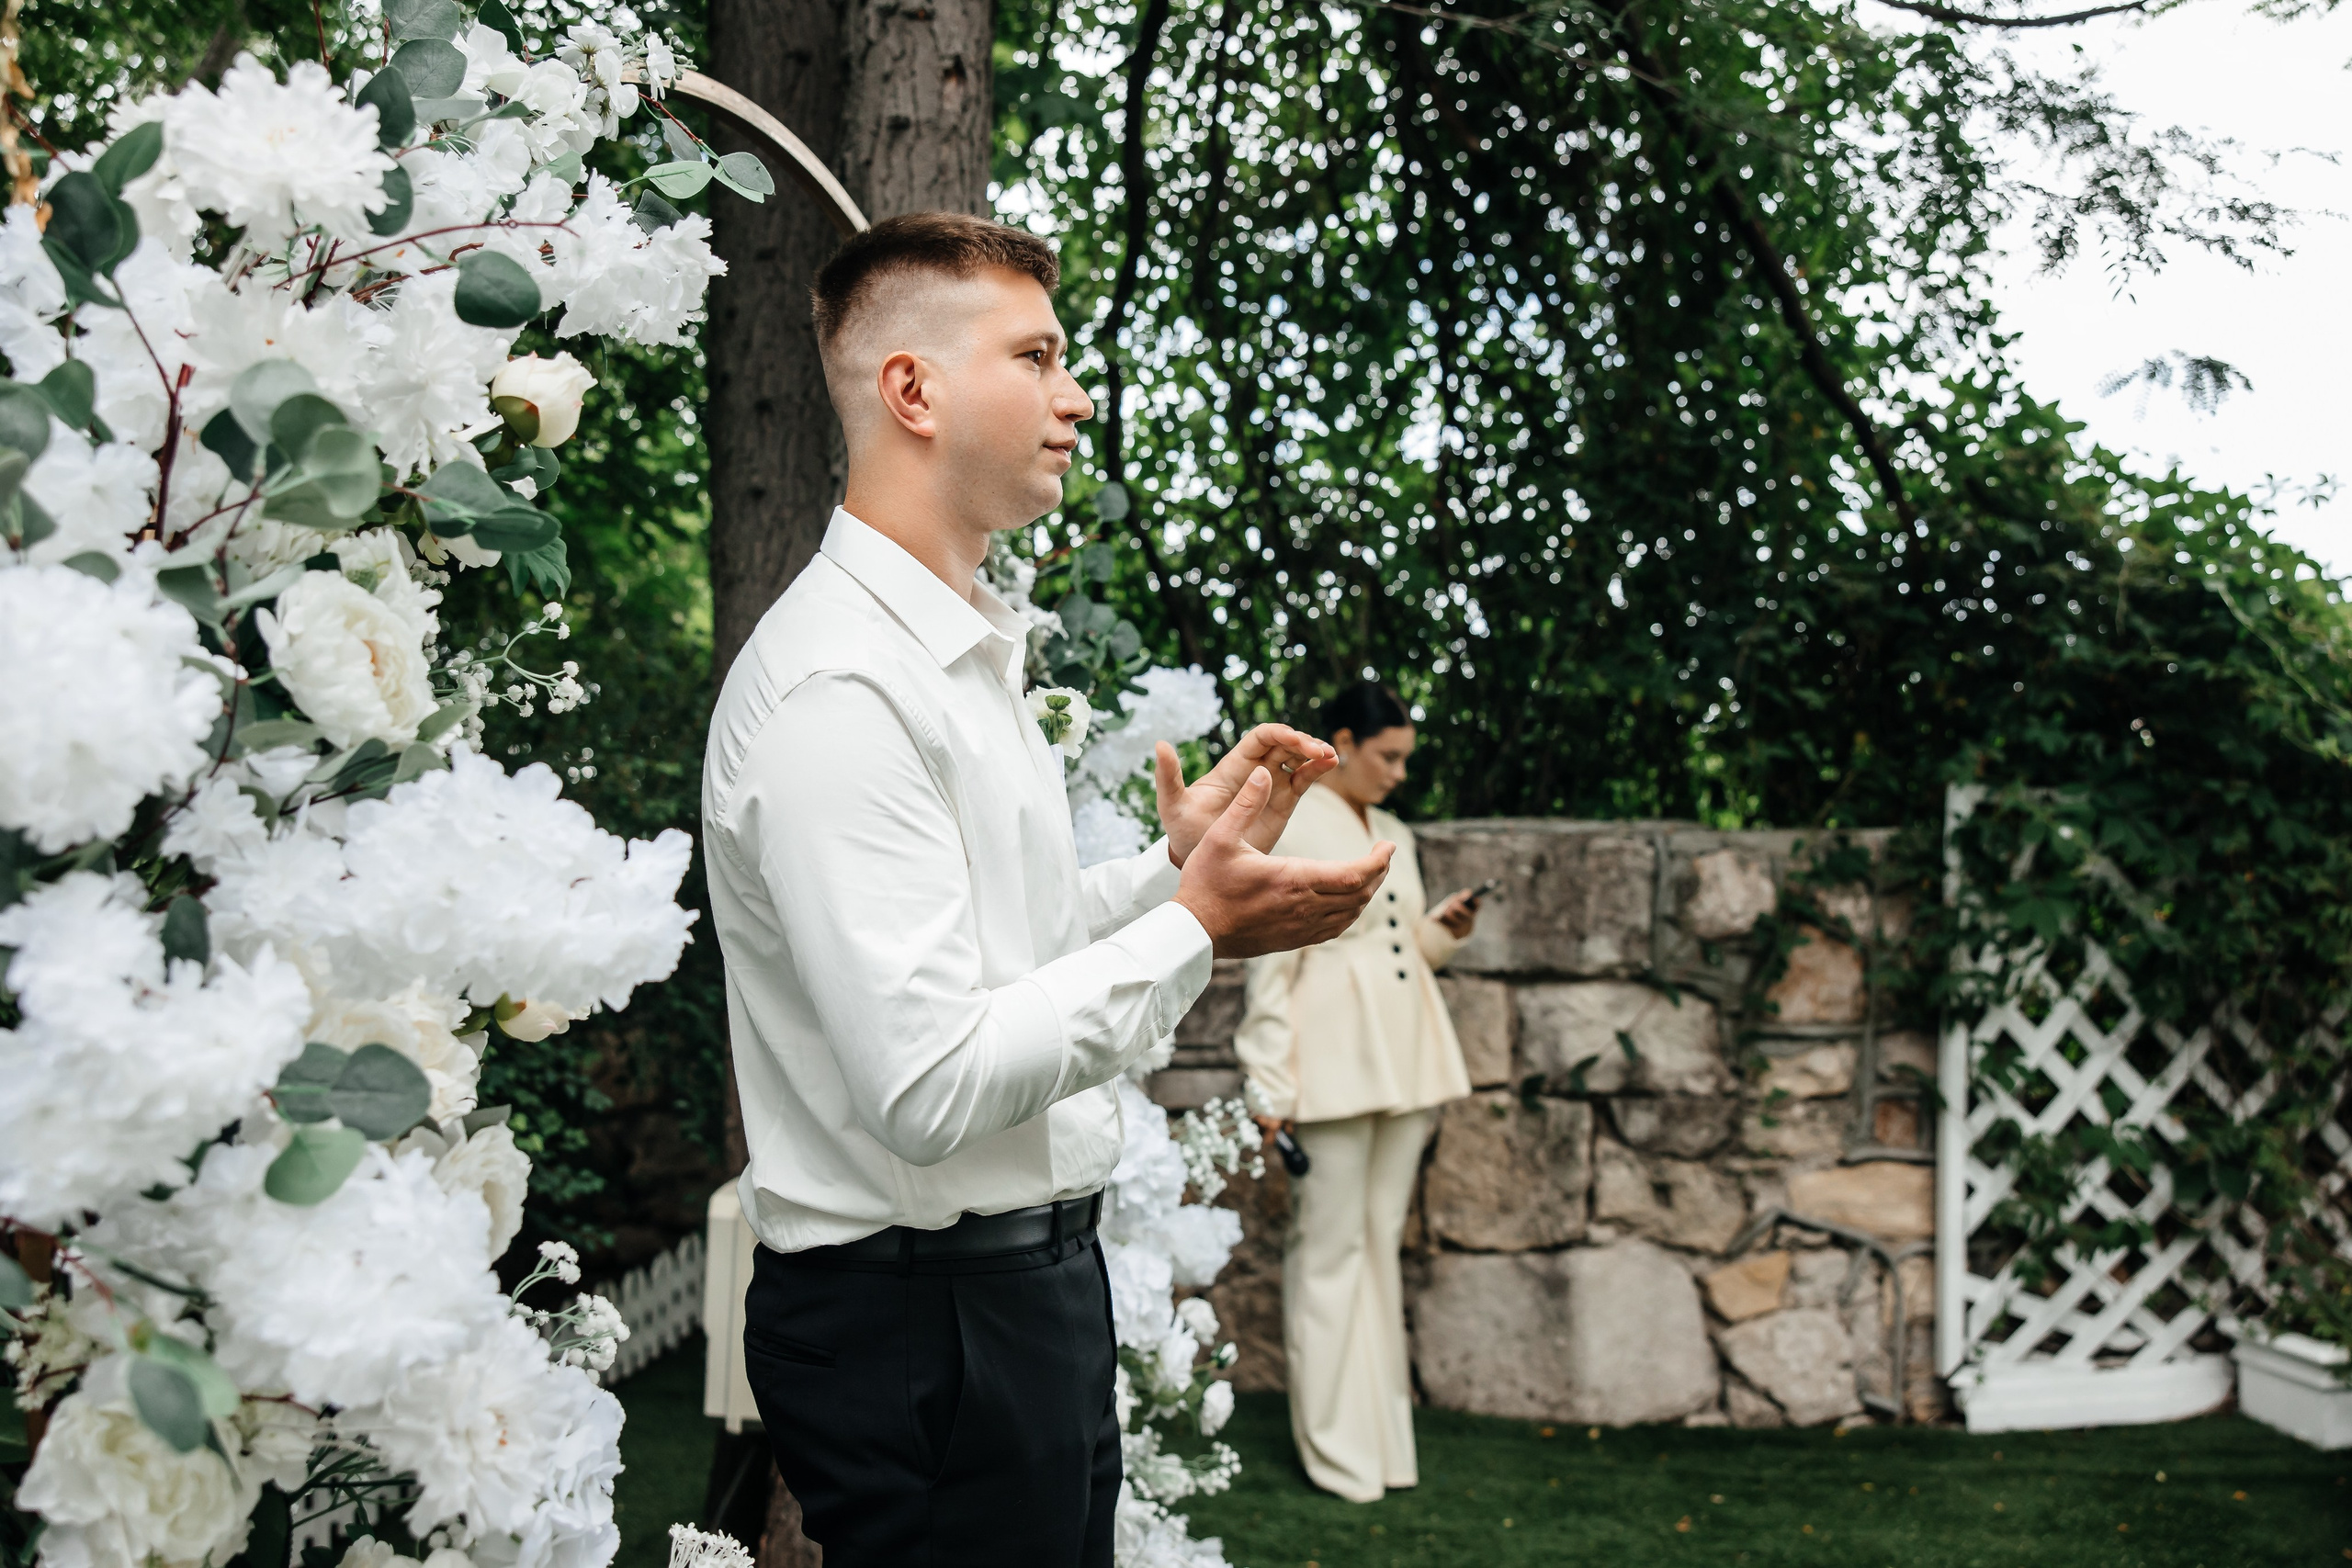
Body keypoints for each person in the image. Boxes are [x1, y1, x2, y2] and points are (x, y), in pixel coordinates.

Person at [699, 212, 1396, 1568]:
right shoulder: (843, 687)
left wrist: (1166, 875)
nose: (1076, 394)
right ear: (914, 390)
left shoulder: (954, 650)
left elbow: (1002, 958)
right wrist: (1198, 930)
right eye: (1038, 354)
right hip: (921, 1323)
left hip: (1015, 1297)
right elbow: (929, 1081)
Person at [1231, 681, 1480, 1504]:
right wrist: (1270, 1085)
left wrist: (1441, 932)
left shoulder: (1396, 831)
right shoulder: (1297, 822)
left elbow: (1394, 949)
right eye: (1388, 755)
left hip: (1404, 1058)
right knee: (1331, 1254)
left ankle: (1385, 1447)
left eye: (1407, 757)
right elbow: (1271, 963)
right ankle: (1338, 1452)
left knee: (1376, 1246)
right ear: (1343, 739)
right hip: (1330, 1066)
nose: (1400, 773)